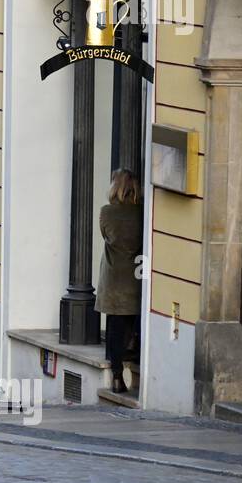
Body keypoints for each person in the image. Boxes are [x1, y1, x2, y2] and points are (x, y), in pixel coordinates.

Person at [96, 168, 144, 394]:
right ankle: (133, 349)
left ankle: (117, 376)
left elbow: (106, 236)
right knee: (132, 320)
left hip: (113, 276)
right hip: (136, 276)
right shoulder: (142, 213)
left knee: (114, 325)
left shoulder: (107, 212)